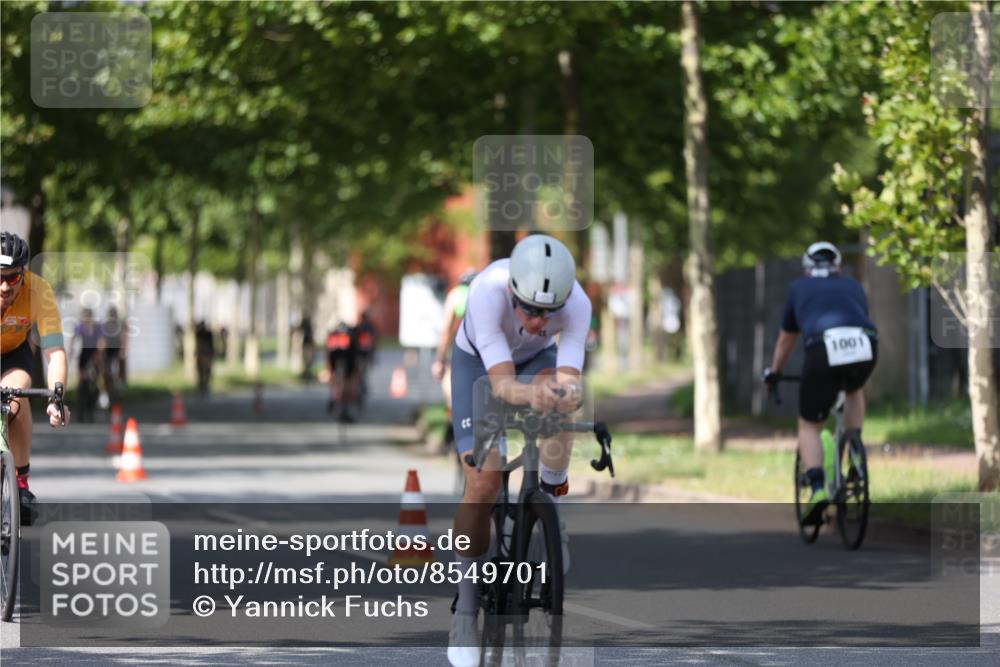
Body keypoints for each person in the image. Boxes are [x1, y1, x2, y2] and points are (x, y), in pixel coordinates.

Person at [447, 235, 590, 667]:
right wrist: (532, 396)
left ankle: (551, 509)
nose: (536, 319)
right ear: (512, 290)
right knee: (484, 482)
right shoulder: (487, 292)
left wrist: (565, 394)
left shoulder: (578, 303)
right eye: (528, 308)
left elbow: (570, 376)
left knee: (558, 400)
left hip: (535, 360)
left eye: (547, 312)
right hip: (479, 364)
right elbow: (503, 386)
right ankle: (466, 612)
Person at [763, 242, 878, 527]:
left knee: (809, 425)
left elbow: (786, 339)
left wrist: (775, 372)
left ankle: (816, 489)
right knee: (853, 388)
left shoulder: (798, 288)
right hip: (866, 343)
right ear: (837, 266)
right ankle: (855, 452)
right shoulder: (853, 285)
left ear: (807, 269)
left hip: (823, 347)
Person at [0, 231, 71, 525]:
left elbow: (55, 352)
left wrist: (57, 398)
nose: (5, 286)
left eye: (13, 278)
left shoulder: (39, 291)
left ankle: (20, 483)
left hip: (13, 354)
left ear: (24, 273)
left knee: (16, 394)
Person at [431, 269, 477, 446]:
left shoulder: (456, 295)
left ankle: (453, 426)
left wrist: (439, 360)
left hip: (461, 350)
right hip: (485, 352)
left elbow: (446, 331)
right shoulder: (486, 294)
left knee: (450, 389)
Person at [71, 307, 105, 421]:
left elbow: (101, 342)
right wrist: (71, 351)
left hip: (94, 356)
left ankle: (90, 410)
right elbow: (74, 339)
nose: (86, 320)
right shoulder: (80, 327)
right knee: (82, 385)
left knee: (94, 385)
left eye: (88, 317)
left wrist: (98, 356)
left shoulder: (97, 327)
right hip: (84, 356)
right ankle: (80, 412)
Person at [325, 322, 359, 422]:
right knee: (347, 384)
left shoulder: (335, 336)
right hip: (345, 361)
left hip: (340, 361)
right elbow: (354, 355)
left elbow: (329, 352)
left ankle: (335, 398)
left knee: (339, 381)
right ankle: (340, 402)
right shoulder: (350, 336)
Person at [354, 310, 378, 404]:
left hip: (360, 353)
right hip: (365, 353)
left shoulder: (359, 327)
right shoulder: (370, 328)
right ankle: (362, 385)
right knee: (363, 371)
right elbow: (373, 342)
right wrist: (372, 355)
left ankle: (362, 385)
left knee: (361, 371)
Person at [195, 321, 215, 397]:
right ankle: (203, 385)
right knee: (203, 372)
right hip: (204, 355)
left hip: (205, 355)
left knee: (205, 372)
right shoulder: (200, 334)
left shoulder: (203, 334)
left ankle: (204, 385)